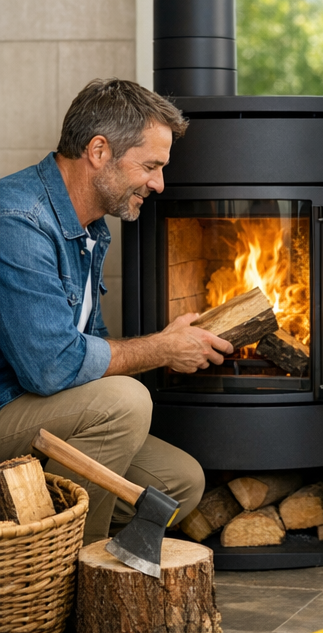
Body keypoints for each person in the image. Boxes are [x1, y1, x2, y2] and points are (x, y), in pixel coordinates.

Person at [0, 79, 233, 544]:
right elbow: (50, 368)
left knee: (178, 484)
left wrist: (169, 346)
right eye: (150, 165)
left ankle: (39, 527)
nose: (159, 184)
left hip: (35, 409)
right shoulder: (18, 222)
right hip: (6, 405)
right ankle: (76, 572)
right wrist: (162, 349)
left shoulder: (89, 229)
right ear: (99, 151)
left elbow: (90, 343)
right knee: (124, 401)